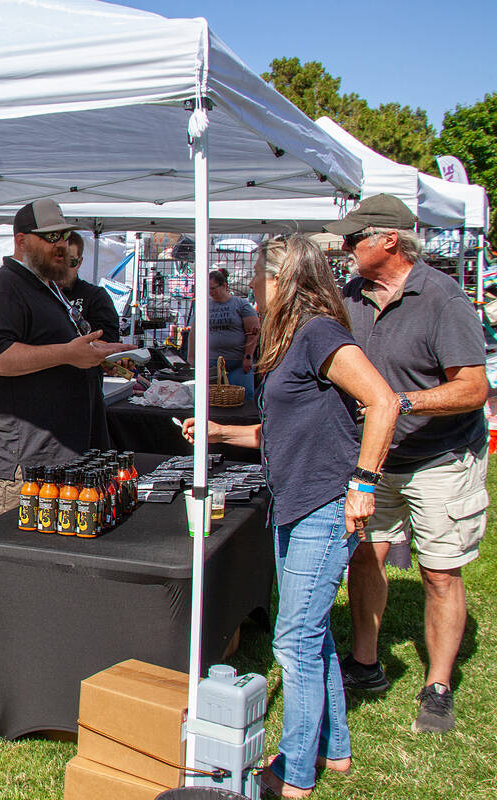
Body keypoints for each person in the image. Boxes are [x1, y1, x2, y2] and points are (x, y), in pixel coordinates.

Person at [183, 235, 397, 797]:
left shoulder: (318, 332)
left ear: (282, 280)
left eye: (257, 277)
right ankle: (336, 749)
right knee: (312, 632)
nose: (252, 287)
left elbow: (384, 400)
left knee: (294, 643)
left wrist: (363, 483)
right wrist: (219, 432)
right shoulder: (292, 339)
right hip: (296, 503)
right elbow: (280, 428)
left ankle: (296, 774)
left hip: (325, 504)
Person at [327, 194, 489, 734]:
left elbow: (473, 387)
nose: (346, 248)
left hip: (440, 457)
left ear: (389, 240)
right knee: (366, 557)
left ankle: (437, 685)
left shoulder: (442, 298)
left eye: (354, 240)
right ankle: (366, 663)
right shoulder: (350, 295)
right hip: (374, 458)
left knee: (439, 572)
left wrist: (399, 403)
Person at [0, 199, 131, 664]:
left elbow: (60, 351)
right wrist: (66, 354)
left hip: (52, 457)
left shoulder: (48, 289)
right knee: (10, 573)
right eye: (51, 238)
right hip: (16, 464)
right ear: (22, 241)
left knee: (41, 573)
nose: (61, 246)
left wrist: (96, 352)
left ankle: (36, 657)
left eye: (65, 237)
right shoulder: (2, 288)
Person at [59, 231, 121, 449]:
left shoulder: (95, 296)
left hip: (82, 400)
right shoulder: (39, 295)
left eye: (72, 261)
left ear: (80, 262)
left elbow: (110, 346)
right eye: (60, 259)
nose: (65, 267)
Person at [206, 267, 260, 404]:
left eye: (213, 288)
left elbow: (253, 332)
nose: (210, 292)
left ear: (224, 285)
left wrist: (248, 357)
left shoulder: (241, 304)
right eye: (208, 289)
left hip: (238, 363)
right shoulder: (205, 306)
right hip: (212, 364)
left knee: (243, 399)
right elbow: (195, 332)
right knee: (213, 401)